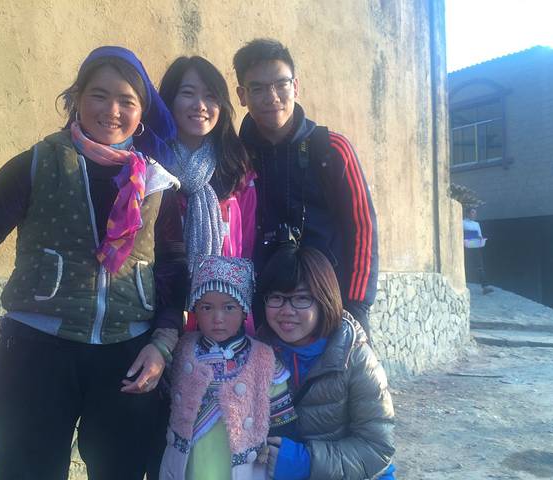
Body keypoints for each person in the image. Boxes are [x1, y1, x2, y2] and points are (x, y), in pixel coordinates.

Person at [0, 46, 187, 480]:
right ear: (77, 98)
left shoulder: (155, 182)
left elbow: (172, 266)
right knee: (26, 469)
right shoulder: (38, 163)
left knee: (121, 470)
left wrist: (162, 344)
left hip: (126, 354)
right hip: (38, 351)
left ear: (141, 114)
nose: (112, 110)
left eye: (127, 101)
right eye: (99, 95)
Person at [232, 38, 378, 336]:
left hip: (329, 304)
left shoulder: (332, 149)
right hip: (262, 309)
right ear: (242, 95)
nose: (271, 97)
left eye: (281, 84)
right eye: (257, 88)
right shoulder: (234, 157)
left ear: (295, 87)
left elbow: (363, 229)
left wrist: (356, 307)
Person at [256, 245, 395, 480]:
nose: (286, 310)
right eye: (276, 298)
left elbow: (377, 448)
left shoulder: (355, 358)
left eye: (301, 298)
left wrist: (306, 462)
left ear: (324, 300)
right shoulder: (256, 353)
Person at [159, 255, 297, 480]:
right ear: (195, 309)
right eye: (206, 307)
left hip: (242, 471)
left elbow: (284, 422)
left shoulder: (263, 359)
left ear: (244, 311)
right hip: (188, 466)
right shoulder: (182, 350)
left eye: (229, 307)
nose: (218, 318)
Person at [159, 55, 256, 334]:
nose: (200, 105)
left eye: (211, 96)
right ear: (169, 99)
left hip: (221, 320)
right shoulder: (150, 166)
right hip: (158, 311)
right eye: (188, 93)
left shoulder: (237, 170)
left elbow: (247, 247)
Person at [463, 207, 493, 295]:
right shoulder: (462, 222)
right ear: (467, 213)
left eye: (475, 213)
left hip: (475, 247)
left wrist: (480, 238)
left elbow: (480, 235)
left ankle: (485, 286)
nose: (474, 214)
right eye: (472, 212)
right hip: (466, 247)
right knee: (465, 266)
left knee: (480, 266)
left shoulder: (477, 224)